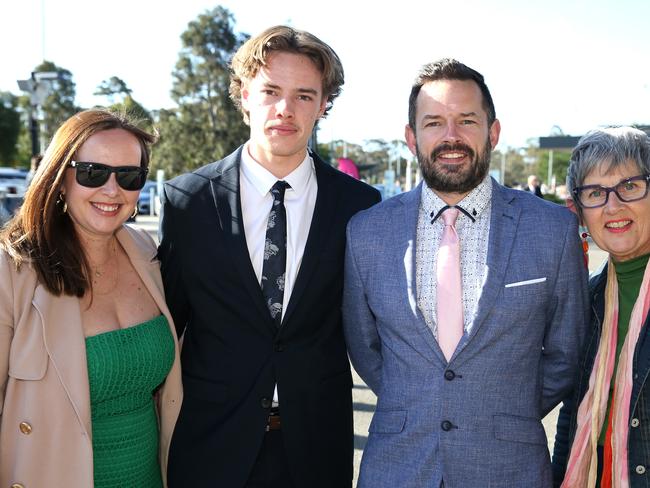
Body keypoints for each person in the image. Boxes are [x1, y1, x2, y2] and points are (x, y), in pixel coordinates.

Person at [342, 58, 589, 487]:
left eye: (467, 121)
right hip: (397, 467)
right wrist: (420, 399)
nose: (451, 136)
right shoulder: (366, 231)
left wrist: (502, 409)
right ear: (411, 137)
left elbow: (567, 351)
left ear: (492, 132)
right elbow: (364, 347)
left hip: (509, 466)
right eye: (434, 122)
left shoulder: (552, 229)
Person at [159, 25, 380, 488]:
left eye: (304, 95)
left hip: (316, 450)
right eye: (270, 91)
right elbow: (168, 323)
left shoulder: (359, 206)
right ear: (243, 96)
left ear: (323, 105)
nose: (285, 109)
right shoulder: (188, 201)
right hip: (211, 447)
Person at [0, 109, 182, 488]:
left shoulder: (144, 249)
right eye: (92, 173)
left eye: (130, 177)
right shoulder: (12, 270)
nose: (112, 190)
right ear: (60, 178)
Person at [552, 127, 650, 488]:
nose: (613, 206)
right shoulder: (588, 296)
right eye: (595, 193)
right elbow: (572, 417)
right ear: (579, 211)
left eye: (630, 186)